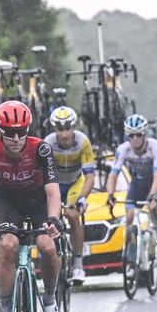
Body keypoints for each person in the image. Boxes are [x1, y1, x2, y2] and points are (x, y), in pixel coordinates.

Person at [0, 101, 63, 312]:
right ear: (0, 131)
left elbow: (53, 192)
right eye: (9, 133)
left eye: (21, 132)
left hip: (37, 201)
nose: (15, 138)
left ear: (28, 130)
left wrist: (53, 218)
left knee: (47, 246)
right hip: (7, 201)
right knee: (7, 246)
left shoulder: (41, 149)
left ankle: (50, 302)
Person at [104, 114, 157, 279]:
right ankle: (131, 261)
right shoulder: (123, 149)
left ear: (145, 134)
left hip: (155, 182)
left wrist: (153, 196)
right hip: (137, 184)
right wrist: (110, 194)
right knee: (130, 217)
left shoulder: (156, 147)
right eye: (131, 135)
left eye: (139, 135)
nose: (135, 139)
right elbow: (113, 174)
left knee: (154, 209)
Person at [43, 105, 95, 282]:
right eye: (60, 129)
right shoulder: (48, 143)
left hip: (74, 182)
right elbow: (40, 175)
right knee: (50, 218)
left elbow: (89, 177)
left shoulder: (83, 142)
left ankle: (78, 265)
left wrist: (82, 198)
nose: (64, 134)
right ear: (54, 129)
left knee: (73, 215)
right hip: (55, 184)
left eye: (68, 128)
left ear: (74, 127)